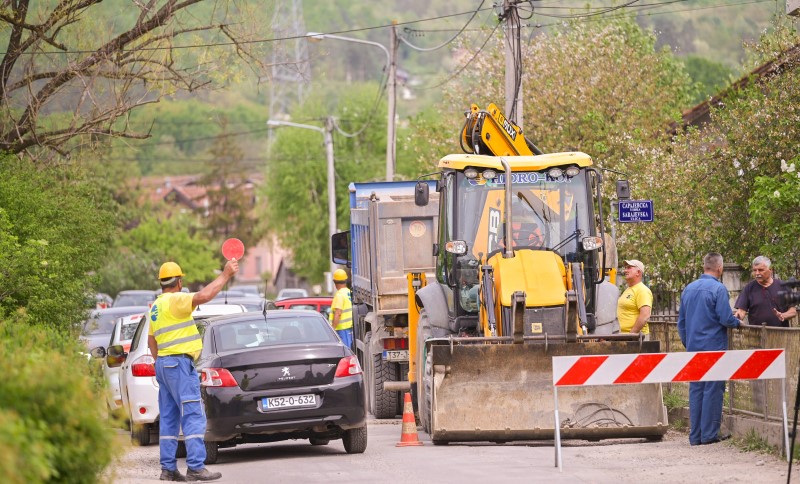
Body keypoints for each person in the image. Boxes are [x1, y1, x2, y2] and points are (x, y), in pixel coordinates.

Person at [148, 259, 238, 482]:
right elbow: (204, 296)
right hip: (179, 364)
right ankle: (196, 467)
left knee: (169, 418)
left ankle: (168, 469)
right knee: (193, 415)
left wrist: (162, 360)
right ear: (179, 282)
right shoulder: (176, 300)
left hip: (164, 364)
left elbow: (151, 341)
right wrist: (226, 275)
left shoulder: (156, 306)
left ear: (161, 282)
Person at [677, 252, 741, 446]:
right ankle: (709, 434)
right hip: (714, 347)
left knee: (696, 389)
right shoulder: (718, 289)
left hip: (694, 348)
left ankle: (695, 436)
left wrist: (689, 344)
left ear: (704, 266)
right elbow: (724, 318)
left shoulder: (688, 289)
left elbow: (681, 323)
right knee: (713, 389)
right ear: (720, 268)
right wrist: (737, 321)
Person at [734, 256, 797, 327]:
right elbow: (741, 312)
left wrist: (783, 315)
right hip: (756, 335)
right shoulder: (748, 288)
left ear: (770, 270)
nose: (757, 273)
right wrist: (736, 318)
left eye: (761, 270)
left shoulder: (783, 286)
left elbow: (793, 311)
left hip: (781, 334)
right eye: (755, 270)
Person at [616, 259, 653, 338]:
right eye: (625, 268)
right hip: (625, 337)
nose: (625, 270)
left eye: (629, 267)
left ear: (638, 272)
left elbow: (645, 316)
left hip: (637, 339)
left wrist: (631, 335)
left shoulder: (642, 290)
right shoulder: (628, 290)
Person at [329, 268, 353, 350]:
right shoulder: (348, 292)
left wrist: (333, 329)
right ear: (345, 280)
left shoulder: (339, 295)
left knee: (345, 351)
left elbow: (338, 313)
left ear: (335, 282)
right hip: (349, 328)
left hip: (342, 329)